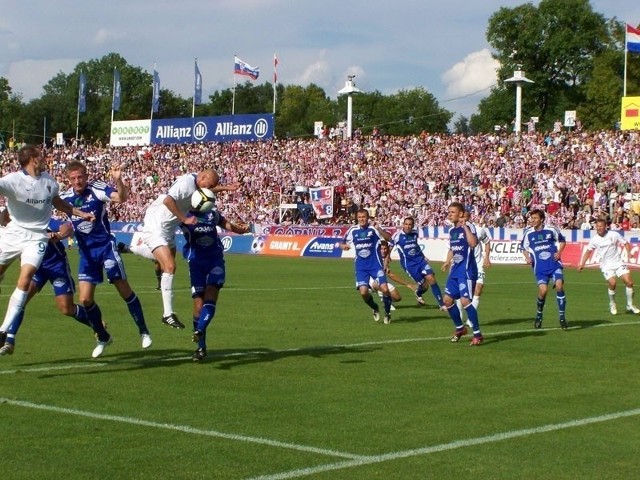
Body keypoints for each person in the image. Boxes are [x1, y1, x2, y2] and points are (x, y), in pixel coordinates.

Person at [0, 145, 95, 353]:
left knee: (25, 279)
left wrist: (81, 214)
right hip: (13, 234)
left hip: (37, 239)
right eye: (40, 156)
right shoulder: (12, 180)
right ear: (32, 159)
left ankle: (4, 332)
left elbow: (61, 205)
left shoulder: (49, 182)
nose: (44, 158)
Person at [60, 160, 151, 355]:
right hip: (86, 253)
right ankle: (102, 336)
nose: (78, 181)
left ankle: (143, 331)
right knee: (85, 299)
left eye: (80, 177)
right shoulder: (64, 197)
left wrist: (119, 181)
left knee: (123, 288)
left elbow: (121, 198)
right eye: (73, 178)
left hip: (105, 247)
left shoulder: (97, 189)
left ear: (86, 176)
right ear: (68, 179)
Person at [141, 169, 239, 330]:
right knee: (170, 266)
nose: (210, 188)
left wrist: (226, 188)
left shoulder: (199, 183)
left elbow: (207, 190)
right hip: (156, 226)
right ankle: (168, 314)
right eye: (210, 185)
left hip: (168, 229)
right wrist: (184, 218)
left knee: (162, 261)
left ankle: (130, 249)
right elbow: (168, 200)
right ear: (203, 177)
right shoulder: (186, 183)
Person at [0, 217, 113, 357]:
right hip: (35, 269)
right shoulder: (11, 228)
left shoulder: (41, 218)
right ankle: (9, 340)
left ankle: (96, 324)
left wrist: (58, 235)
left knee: (66, 308)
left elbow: (68, 228)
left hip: (56, 266)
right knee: (22, 298)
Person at [180, 204, 249, 361]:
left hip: (215, 260)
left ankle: (199, 330)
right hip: (195, 262)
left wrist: (242, 230)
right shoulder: (183, 215)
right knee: (198, 305)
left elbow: (227, 225)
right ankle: (201, 347)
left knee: (211, 294)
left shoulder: (212, 214)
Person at [440, 202, 484, 345]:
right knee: (447, 300)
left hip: (467, 271)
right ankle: (460, 328)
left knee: (465, 301)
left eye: (453, 212)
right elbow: (453, 248)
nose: (450, 214)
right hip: (455, 270)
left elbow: (473, 243)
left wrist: (464, 226)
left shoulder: (469, 227)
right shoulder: (452, 231)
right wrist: (447, 261)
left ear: (460, 214)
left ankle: (477, 334)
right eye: (449, 212)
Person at [340, 209, 393, 324]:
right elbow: (342, 242)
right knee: (363, 292)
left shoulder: (373, 229)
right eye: (359, 217)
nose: (361, 219)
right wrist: (343, 246)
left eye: (363, 217)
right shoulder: (353, 230)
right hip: (361, 266)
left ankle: (387, 313)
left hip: (375, 265)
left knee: (384, 289)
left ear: (368, 217)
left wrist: (379, 228)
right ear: (357, 218)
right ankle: (375, 307)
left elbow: (389, 239)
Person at [577, 218, 640, 315]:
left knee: (629, 282)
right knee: (613, 283)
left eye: (601, 226)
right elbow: (588, 252)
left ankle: (630, 305)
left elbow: (626, 243)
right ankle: (612, 303)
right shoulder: (595, 239)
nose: (599, 228)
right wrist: (582, 263)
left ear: (605, 226)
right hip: (606, 265)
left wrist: (628, 252)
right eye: (597, 226)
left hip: (618, 262)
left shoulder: (613, 235)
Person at [520, 208, 568, 330]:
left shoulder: (551, 229)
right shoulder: (528, 233)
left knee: (559, 286)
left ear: (541, 219)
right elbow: (523, 248)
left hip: (554, 264)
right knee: (543, 291)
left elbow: (562, 241)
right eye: (532, 218)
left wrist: (559, 252)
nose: (533, 220)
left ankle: (562, 317)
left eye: (535, 218)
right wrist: (527, 257)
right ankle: (539, 315)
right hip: (539, 267)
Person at [391, 216, 446, 309]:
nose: (408, 226)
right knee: (425, 286)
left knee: (431, 278)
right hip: (409, 265)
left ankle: (442, 304)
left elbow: (416, 246)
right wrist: (387, 258)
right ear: (403, 225)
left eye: (410, 225)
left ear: (412, 226)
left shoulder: (414, 234)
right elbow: (389, 245)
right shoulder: (397, 236)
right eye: (406, 224)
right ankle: (418, 292)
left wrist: (423, 256)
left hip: (420, 261)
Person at [457, 211, 492, 324]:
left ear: (469, 218)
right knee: (462, 292)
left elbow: (487, 242)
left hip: (478, 263)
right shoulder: (457, 231)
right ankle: (460, 314)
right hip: (465, 265)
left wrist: (486, 257)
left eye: (466, 218)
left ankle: (471, 320)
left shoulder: (479, 230)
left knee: (478, 288)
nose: (464, 220)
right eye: (462, 218)